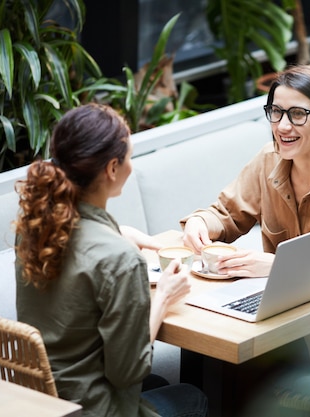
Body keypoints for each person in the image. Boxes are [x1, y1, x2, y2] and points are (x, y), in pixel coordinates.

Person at [181, 64, 310, 372]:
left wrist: (279, 266)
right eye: (276, 112)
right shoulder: (269, 160)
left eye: (298, 115)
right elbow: (225, 214)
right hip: (278, 321)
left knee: (231, 365)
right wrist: (200, 223)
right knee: (206, 341)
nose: (283, 126)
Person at [14, 103, 208, 417]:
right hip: (90, 409)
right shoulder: (120, 259)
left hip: (45, 399)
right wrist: (164, 298)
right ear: (112, 169)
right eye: (130, 156)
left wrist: (117, 232)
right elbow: (128, 372)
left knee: (160, 382)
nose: (132, 165)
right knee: (192, 396)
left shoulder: (34, 228)